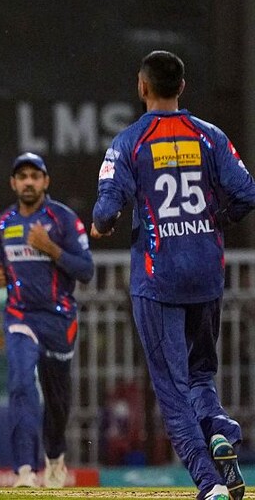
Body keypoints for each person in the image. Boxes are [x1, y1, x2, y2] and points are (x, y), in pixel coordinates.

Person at [93, 51, 255, 500]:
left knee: (172, 391)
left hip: (158, 277)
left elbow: (106, 208)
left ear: (142, 87)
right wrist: (215, 220)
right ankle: (219, 428)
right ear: (182, 86)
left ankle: (209, 483)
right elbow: (246, 194)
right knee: (201, 375)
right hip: (206, 273)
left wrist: (103, 224)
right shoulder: (209, 136)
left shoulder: (130, 141)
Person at [0, 153, 94, 488]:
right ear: (13, 183)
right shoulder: (4, 222)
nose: (29, 182)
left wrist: (51, 248)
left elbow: (87, 270)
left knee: (57, 399)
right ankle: (24, 470)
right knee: (21, 383)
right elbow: (1, 263)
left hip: (58, 319)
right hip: (20, 315)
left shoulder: (63, 219)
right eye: (22, 176)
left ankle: (55, 456)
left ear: (45, 182)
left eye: (35, 176)